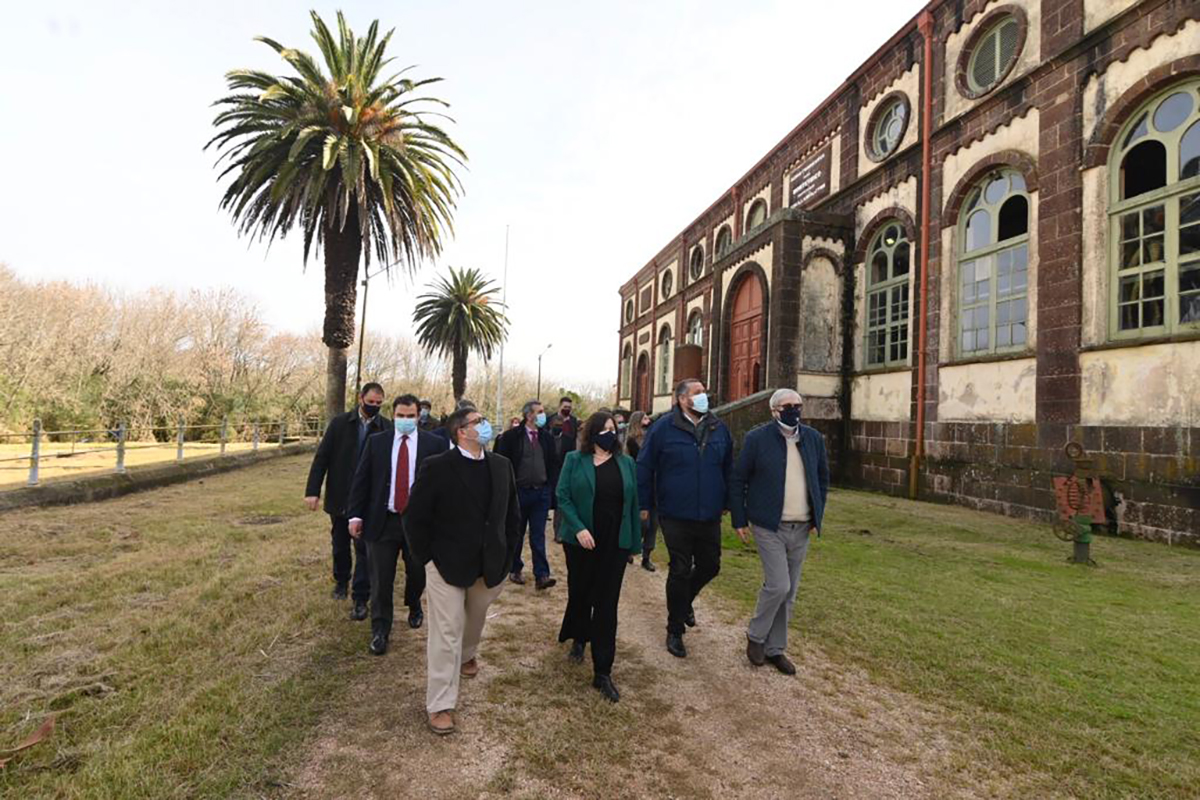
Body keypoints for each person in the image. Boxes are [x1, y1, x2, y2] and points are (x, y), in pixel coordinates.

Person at [402, 407, 521, 736]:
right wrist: (426, 559)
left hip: (489, 565)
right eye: (478, 421)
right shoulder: (437, 466)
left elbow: (512, 516)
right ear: (461, 432)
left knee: (474, 619)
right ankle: (440, 704)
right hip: (445, 564)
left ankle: (467, 655)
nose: (486, 425)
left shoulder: (502, 466)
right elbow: (414, 517)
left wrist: (508, 555)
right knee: (446, 631)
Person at [729, 389, 829, 675]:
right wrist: (739, 519)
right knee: (778, 585)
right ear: (774, 410)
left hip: (802, 526)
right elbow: (738, 479)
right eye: (788, 406)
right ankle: (756, 636)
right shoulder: (757, 439)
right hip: (768, 525)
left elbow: (822, 478)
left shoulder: (813, 439)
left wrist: (817, 514)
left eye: (798, 405)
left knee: (790, 592)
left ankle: (775, 648)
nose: (794, 410)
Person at [636, 379, 733, 659]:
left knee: (710, 565)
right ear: (682, 399)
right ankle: (675, 629)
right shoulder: (663, 428)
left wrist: (728, 501)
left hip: (709, 513)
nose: (704, 396)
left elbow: (729, 467)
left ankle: (684, 601)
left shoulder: (718, 427)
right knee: (679, 568)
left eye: (704, 392)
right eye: (697, 393)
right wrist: (644, 504)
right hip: (674, 512)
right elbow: (644, 466)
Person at [345, 394, 441, 655]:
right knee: (381, 579)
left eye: (410, 416)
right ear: (393, 415)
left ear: (418, 416)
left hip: (418, 524)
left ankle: (414, 602)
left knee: (417, 572)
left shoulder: (435, 444)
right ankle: (380, 630)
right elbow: (362, 479)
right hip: (383, 521)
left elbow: (442, 486)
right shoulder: (377, 442)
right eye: (400, 416)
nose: (405, 420)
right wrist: (355, 515)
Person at [556, 412, 641, 702]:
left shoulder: (626, 463)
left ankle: (602, 670)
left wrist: (634, 544)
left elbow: (633, 503)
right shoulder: (574, 460)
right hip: (581, 542)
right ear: (591, 433)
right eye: (604, 429)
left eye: (613, 429)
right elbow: (563, 496)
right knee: (581, 593)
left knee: (607, 604)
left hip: (614, 543)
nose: (610, 433)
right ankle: (579, 636)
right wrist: (578, 528)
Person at [304, 382, 392, 618]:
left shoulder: (386, 427)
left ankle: (361, 597)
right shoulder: (340, 424)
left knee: (364, 548)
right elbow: (322, 458)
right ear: (360, 398)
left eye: (379, 403)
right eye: (370, 401)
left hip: (368, 500)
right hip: (341, 494)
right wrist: (313, 490)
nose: (374, 406)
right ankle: (341, 580)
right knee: (340, 543)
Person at [494, 400, 560, 590]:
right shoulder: (511, 437)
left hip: (541, 493)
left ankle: (542, 575)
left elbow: (553, 464)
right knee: (516, 532)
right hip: (519, 493)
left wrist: (550, 488)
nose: (543, 415)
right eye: (539, 411)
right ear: (529, 415)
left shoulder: (547, 438)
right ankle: (514, 568)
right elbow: (502, 463)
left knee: (538, 535)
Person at [625, 411, 657, 572]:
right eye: (644, 418)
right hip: (639, 483)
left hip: (655, 484)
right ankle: (631, 547)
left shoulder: (653, 439)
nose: (648, 420)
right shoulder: (632, 441)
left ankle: (647, 556)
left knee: (654, 524)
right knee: (643, 522)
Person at [548, 396, 578, 543]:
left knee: (561, 499)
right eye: (565, 406)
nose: (567, 409)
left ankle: (559, 531)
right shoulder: (550, 420)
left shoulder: (573, 422)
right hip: (551, 468)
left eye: (569, 407)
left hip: (565, 465)